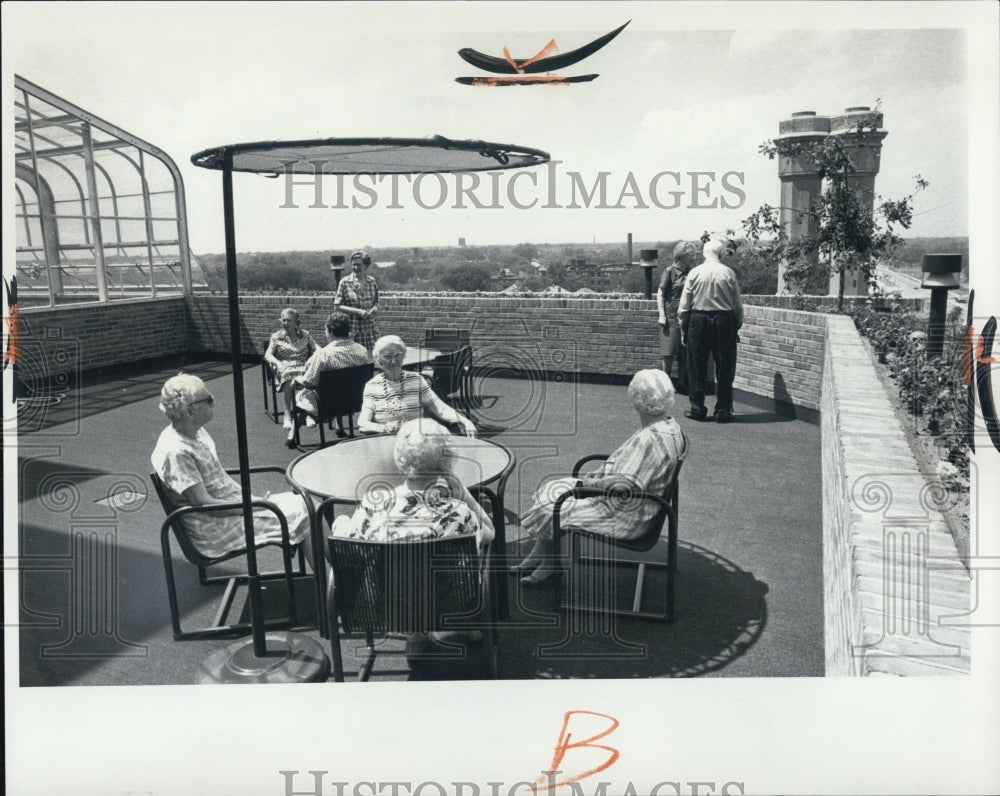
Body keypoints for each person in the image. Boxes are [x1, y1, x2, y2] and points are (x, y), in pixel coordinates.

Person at [513, 369, 687, 585]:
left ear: (636, 402)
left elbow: (625, 485)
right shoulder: (670, 426)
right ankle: (540, 555)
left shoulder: (649, 440)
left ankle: (550, 564)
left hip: (624, 516)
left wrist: (588, 484)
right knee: (553, 489)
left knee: (553, 504)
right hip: (635, 505)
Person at [151, 373, 312, 564]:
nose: (214, 402)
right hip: (215, 530)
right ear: (190, 411)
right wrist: (252, 506)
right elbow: (204, 505)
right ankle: (331, 584)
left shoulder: (194, 431)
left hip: (233, 507)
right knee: (306, 513)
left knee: (308, 504)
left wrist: (251, 502)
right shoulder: (176, 451)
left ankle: (333, 577)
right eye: (208, 399)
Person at [331, 418, 494, 547]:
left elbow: (347, 541)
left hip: (384, 589)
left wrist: (341, 522)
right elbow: (490, 532)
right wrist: (464, 495)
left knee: (341, 522)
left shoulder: (373, 505)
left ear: (400, 457)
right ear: (446, 461)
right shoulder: (459, 514)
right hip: (442, 589)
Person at [677, 238, 744, 423]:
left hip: (698, 320)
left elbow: (684, 305)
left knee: (696, 364)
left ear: (704, 254)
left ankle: (697, 408)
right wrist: (735, 326)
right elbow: (737, 305)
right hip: (725, 319)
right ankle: (723, 410)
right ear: (721, 254)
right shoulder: (729, 273)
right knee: (725, 366)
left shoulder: (694, 273)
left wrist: (684, 327)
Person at [358, 335, 478, 436]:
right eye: (387, 357)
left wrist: (464, 420)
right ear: (379, 360)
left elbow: (441, 409)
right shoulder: (372, 386)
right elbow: (363, 423)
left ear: (403, 356)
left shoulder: (416, 380)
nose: (393, 361)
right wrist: (383, 428)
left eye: (397, 355)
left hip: (414, 439)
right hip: (384, 439)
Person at [288, 312, 371, 446]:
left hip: (327, 404)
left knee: (304, 393)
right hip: (353, 401)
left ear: (330, 331)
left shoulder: (323, 355)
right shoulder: (361, 350)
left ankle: (292, 434)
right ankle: (340, 426)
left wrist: (296, 380)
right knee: (340, 385)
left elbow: (309, 382)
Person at [263, 308, 317, 433]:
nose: (285, 323)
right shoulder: (276, 337)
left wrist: (316, 358)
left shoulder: (305, 335)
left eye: (289, 320)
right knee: (288, 377)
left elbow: (317, 349)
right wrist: (277, 363)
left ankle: (309, 413)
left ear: (296, 322)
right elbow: (268, 355)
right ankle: (288, 414)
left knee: (310, 375)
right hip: (285, 367)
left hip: (303, 365)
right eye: (284, 320)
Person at [656, 240, 699, 394]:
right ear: (681, 256)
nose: (692, 259)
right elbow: (660, 294)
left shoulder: (692, 272)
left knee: (684, 352)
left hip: (686, 314)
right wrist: (662, 315)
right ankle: (665, 385)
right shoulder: (669, 271)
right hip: (671, 314)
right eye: (689, 256)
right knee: (668, 353)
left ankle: (682, 383)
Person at [334, 250, 380, 351]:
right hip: (352, 332)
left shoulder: (372, 281)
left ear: (366, 265)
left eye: (359, 265)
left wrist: (375, 309)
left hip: (370, 331)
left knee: (372, 361)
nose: (356, 268)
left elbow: (377, 302)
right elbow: (337, 306)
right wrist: (358, 312)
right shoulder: (345, 282)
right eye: (353, 265)